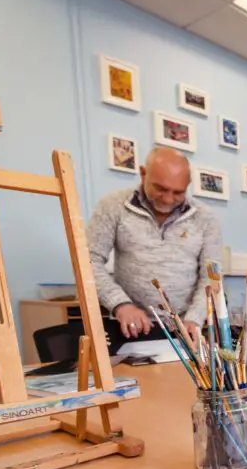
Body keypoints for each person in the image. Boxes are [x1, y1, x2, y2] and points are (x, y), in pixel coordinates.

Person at [86, 147, 221, 344]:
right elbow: (89, 261)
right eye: (160, 188)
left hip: (187, 329)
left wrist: (195, 318)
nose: (168, 198)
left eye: (178, 192)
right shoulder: (112, 206)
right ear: (143, 174)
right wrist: (120, 304)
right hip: (131, 328)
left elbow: (212, 276)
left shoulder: (205, 217)